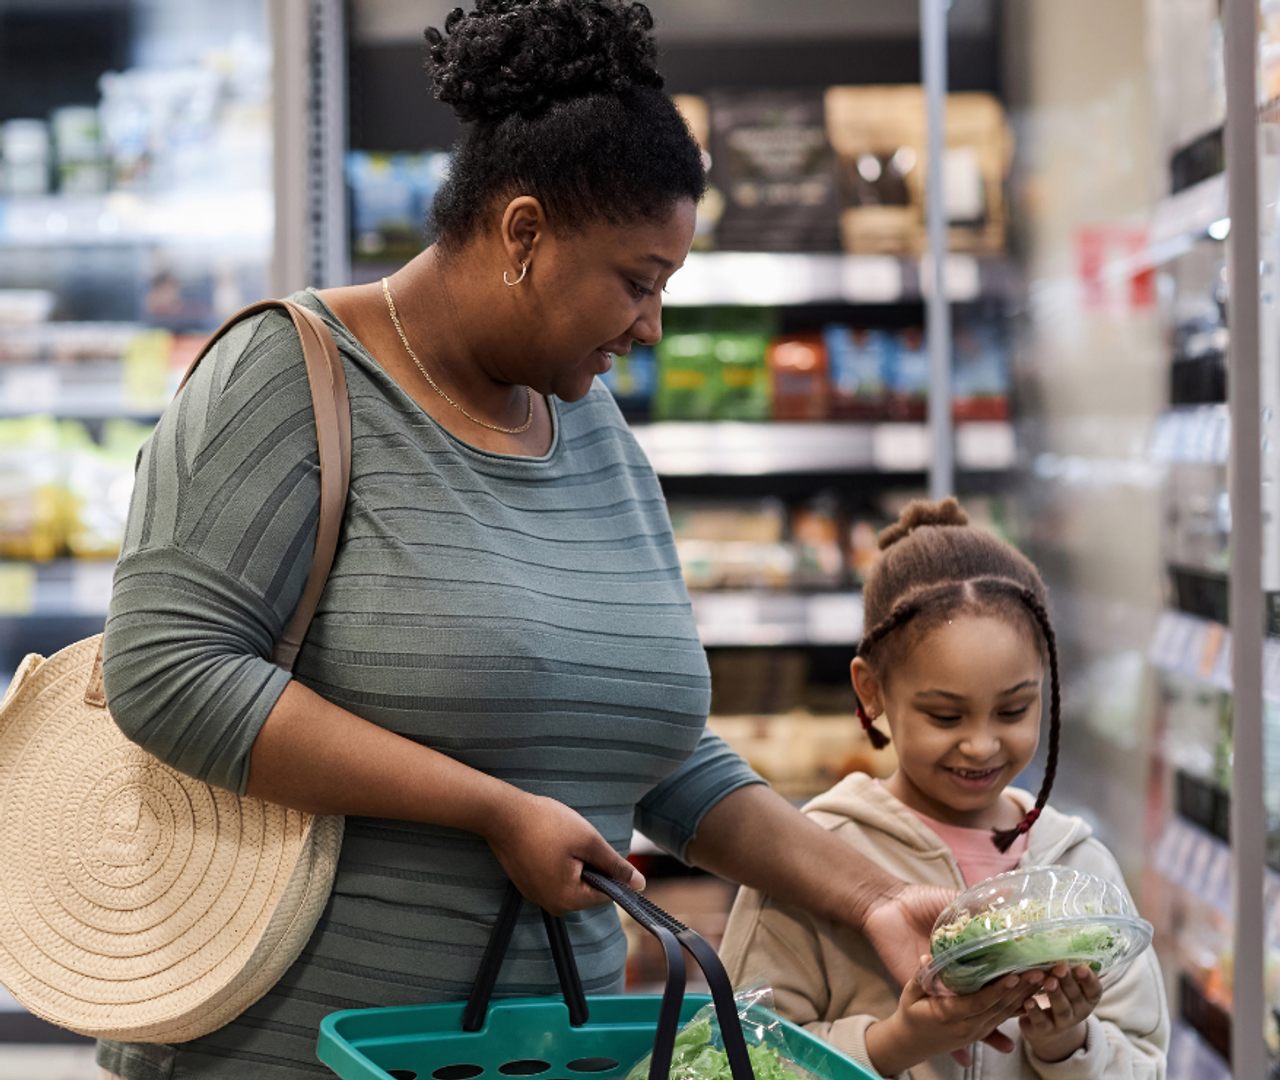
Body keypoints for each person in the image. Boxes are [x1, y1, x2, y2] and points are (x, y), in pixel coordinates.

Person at [97, 5, 1043, 1079]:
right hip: (297, 1041)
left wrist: (871, 897)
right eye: (638, 280)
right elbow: (166, 670)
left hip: (547, 1050)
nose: (652, 327)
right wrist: (490, 808)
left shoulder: (594, 434)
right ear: (523, 234)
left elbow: (655, 755)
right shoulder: (289, 376)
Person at [718, 498, 1170, 1079]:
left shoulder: (1079, 870)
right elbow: (732, 1058)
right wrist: (892, 1044)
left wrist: (1070, 1044)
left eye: (1013, 709)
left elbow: (1150, 1063)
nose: (981, 745)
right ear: (871, 690)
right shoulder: (811, 858)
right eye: (946, 717)